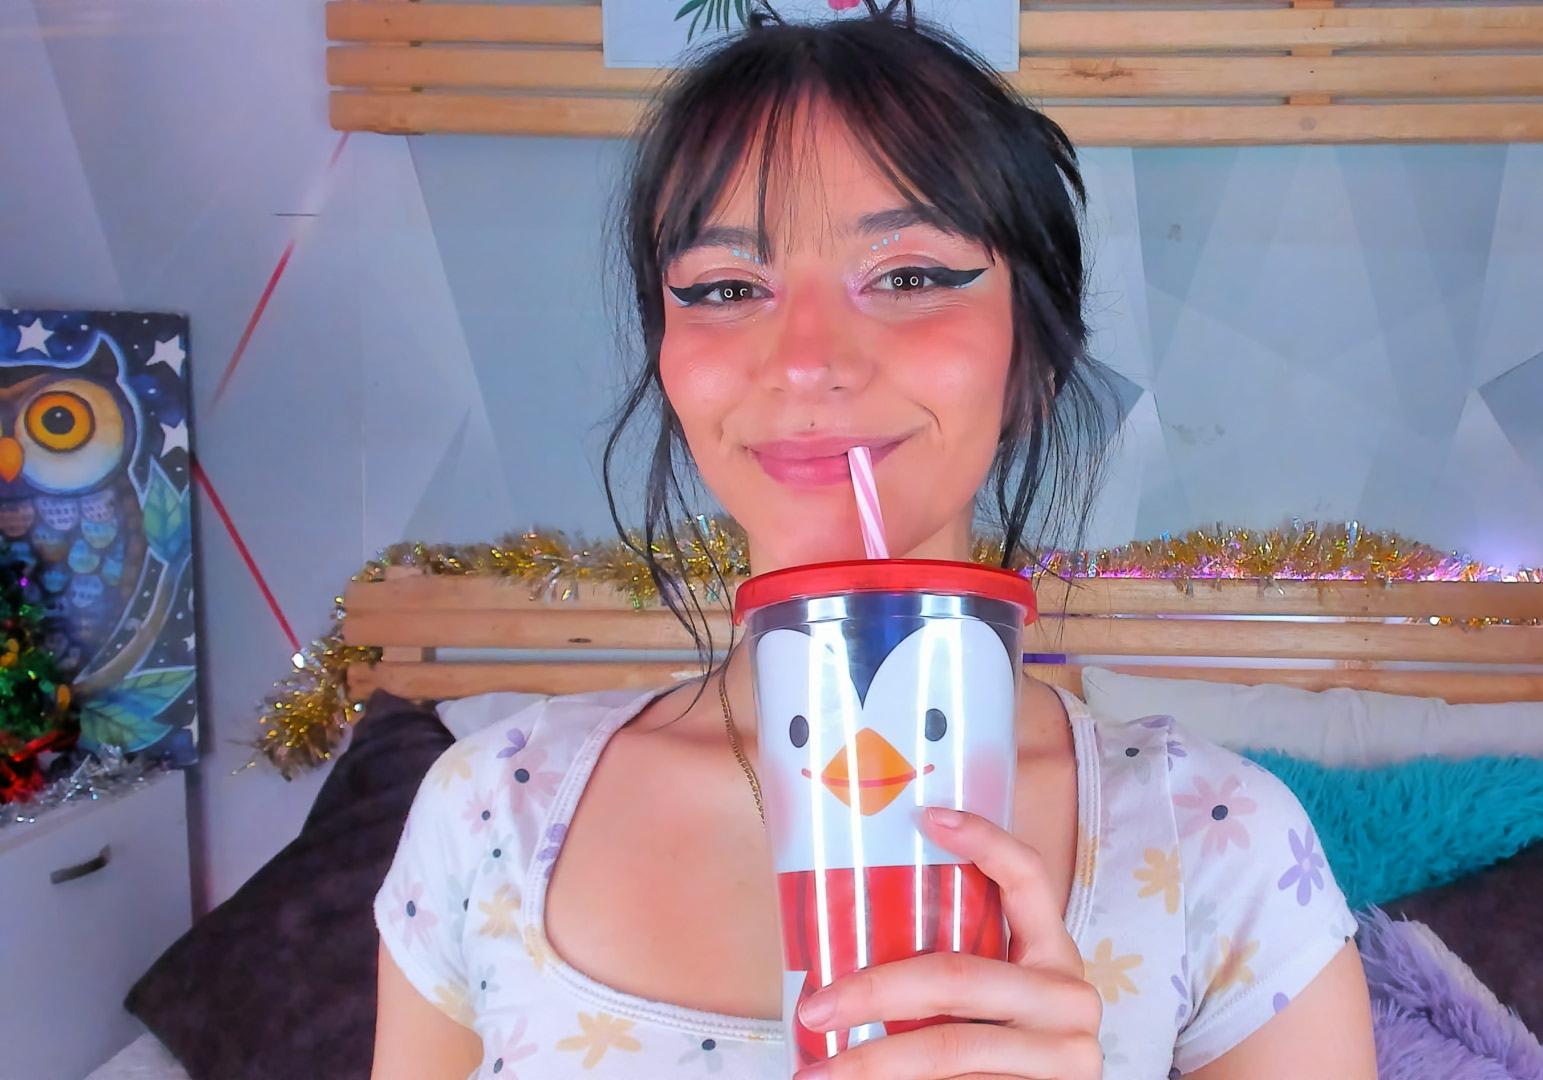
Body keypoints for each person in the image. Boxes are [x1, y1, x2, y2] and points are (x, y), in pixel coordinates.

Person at [370, 6, 1376, 1077]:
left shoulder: (1218, 843)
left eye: (910, 276)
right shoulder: (491, 814)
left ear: (1032, 357)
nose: (806, 358)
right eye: (725, 289)